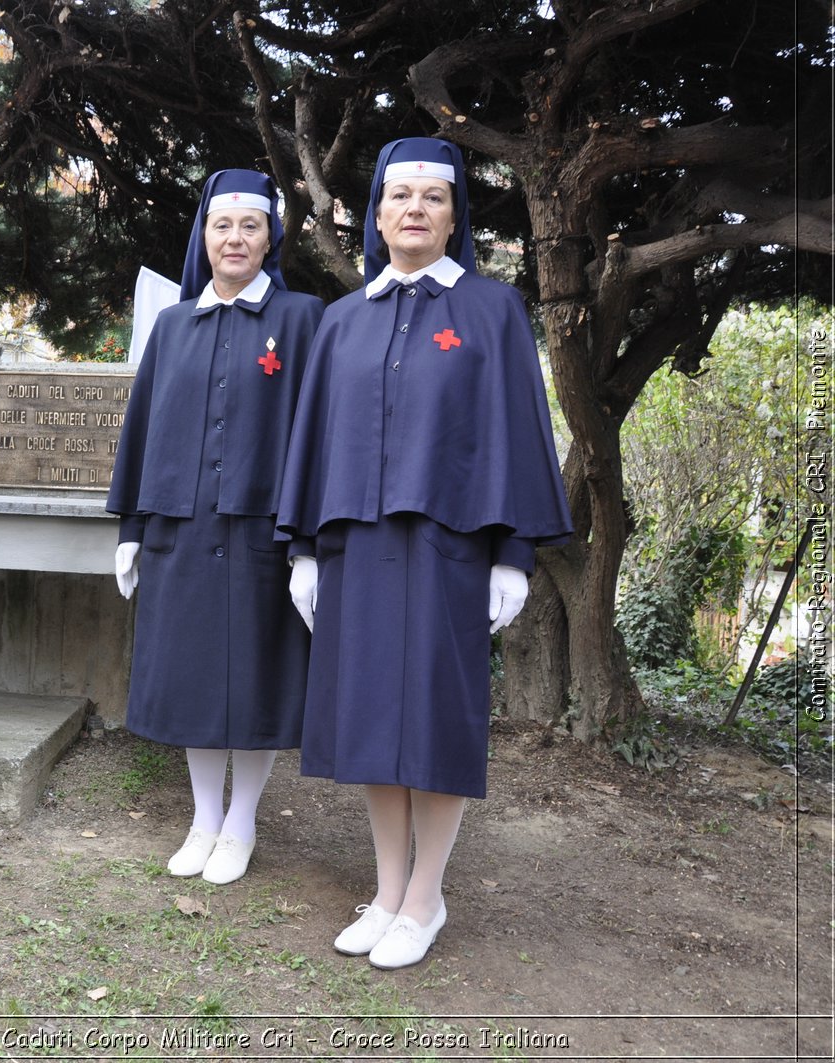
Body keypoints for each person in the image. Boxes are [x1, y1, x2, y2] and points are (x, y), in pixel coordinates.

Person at [276, 137, 572, 968]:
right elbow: (315, 440)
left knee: (435, 722)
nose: (414, 209)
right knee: (374, 721)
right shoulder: (343, 321)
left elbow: (518, 433)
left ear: (454, 217)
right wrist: (304, 549)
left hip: (451, 550)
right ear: (375, 215)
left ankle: (426, 897)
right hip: (359, 549)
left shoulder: (492, 310)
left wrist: (513, 554)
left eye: (432, 198)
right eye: (399, 195)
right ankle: (386, 890)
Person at [107, 169, 322, 885]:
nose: (236, 239)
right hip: (183, 528)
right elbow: (145, 429)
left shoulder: (302, 320)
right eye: (223, 226)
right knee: (197, 679)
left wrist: (307, 544)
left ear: (271, 238)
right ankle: (203, 818)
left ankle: (242, 822)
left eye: (250, 226)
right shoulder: (173, 324)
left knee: (254, 677)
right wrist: (131, 527)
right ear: (204, 236)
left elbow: (315, 434)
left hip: (264, 532)